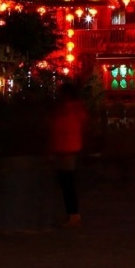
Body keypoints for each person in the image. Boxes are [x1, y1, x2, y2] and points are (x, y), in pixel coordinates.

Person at [48, 82, 88, 227]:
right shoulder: (75, 109)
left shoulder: (66, 110)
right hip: (68, 147)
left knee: (67, 183)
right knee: (67, 183)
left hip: (66, 148)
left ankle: (73, 214)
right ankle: (72, 214)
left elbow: (60, 128)